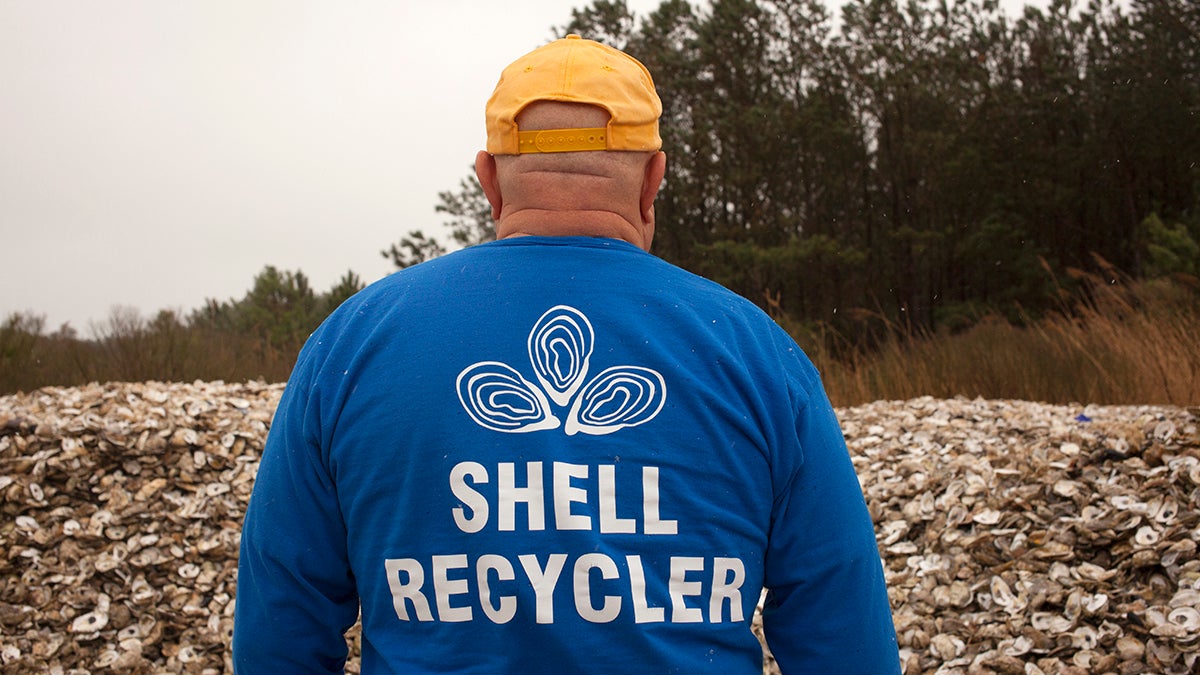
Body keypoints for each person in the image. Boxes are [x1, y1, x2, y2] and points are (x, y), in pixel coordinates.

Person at [232, 34, 899, 673]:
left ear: (489, 180)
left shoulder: (351, 347)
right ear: (652, 181)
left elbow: (277, 637)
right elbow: (845, 642)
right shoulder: (759, 356)